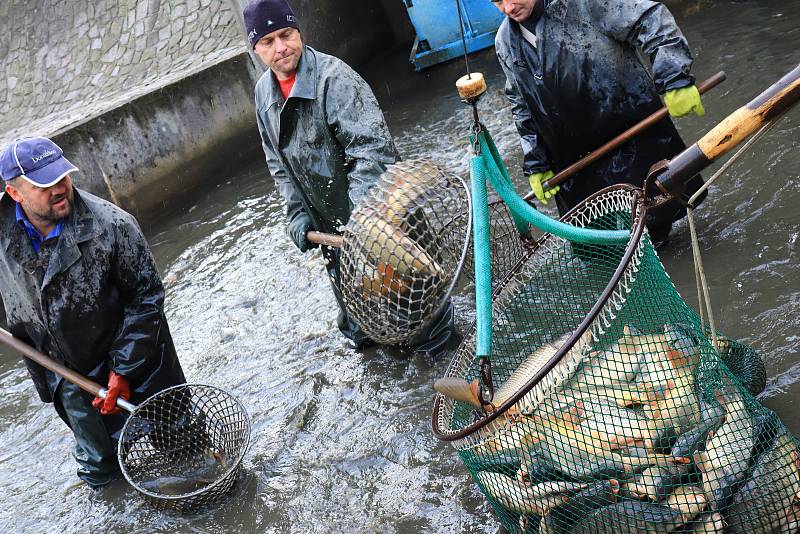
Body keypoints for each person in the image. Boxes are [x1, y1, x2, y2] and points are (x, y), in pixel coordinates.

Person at [244, 0, 456, 354]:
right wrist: (297, 213)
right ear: (256, 49)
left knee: (423, 320)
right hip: (332, 234)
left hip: (383, 222)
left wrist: (361, 225)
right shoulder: (263, 94)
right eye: (268, 42)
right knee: (364, 329)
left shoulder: (334, 78)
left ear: (299, 32)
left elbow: (372, 152)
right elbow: (278, 164)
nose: (280, 47)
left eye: (286, 34)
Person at [0, 137, 185, 489]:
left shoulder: (113, 226)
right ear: (14, 193)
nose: (59, 189)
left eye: (62, 177)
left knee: (181, 446)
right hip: (65, 372)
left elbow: (147, 298)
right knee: (101, 471)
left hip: (140, 361)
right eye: (44, 184)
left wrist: (123, 369)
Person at [492, 0, 707, 247]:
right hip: (576, 168)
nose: (508, 8)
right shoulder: (505, 42)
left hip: (635, 140)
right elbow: (521, 104)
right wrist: (536, 161)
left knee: (657, 229)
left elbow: (651, 19)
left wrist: (674, 78)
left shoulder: (587, 4)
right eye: (497, 1)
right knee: (599, 249)